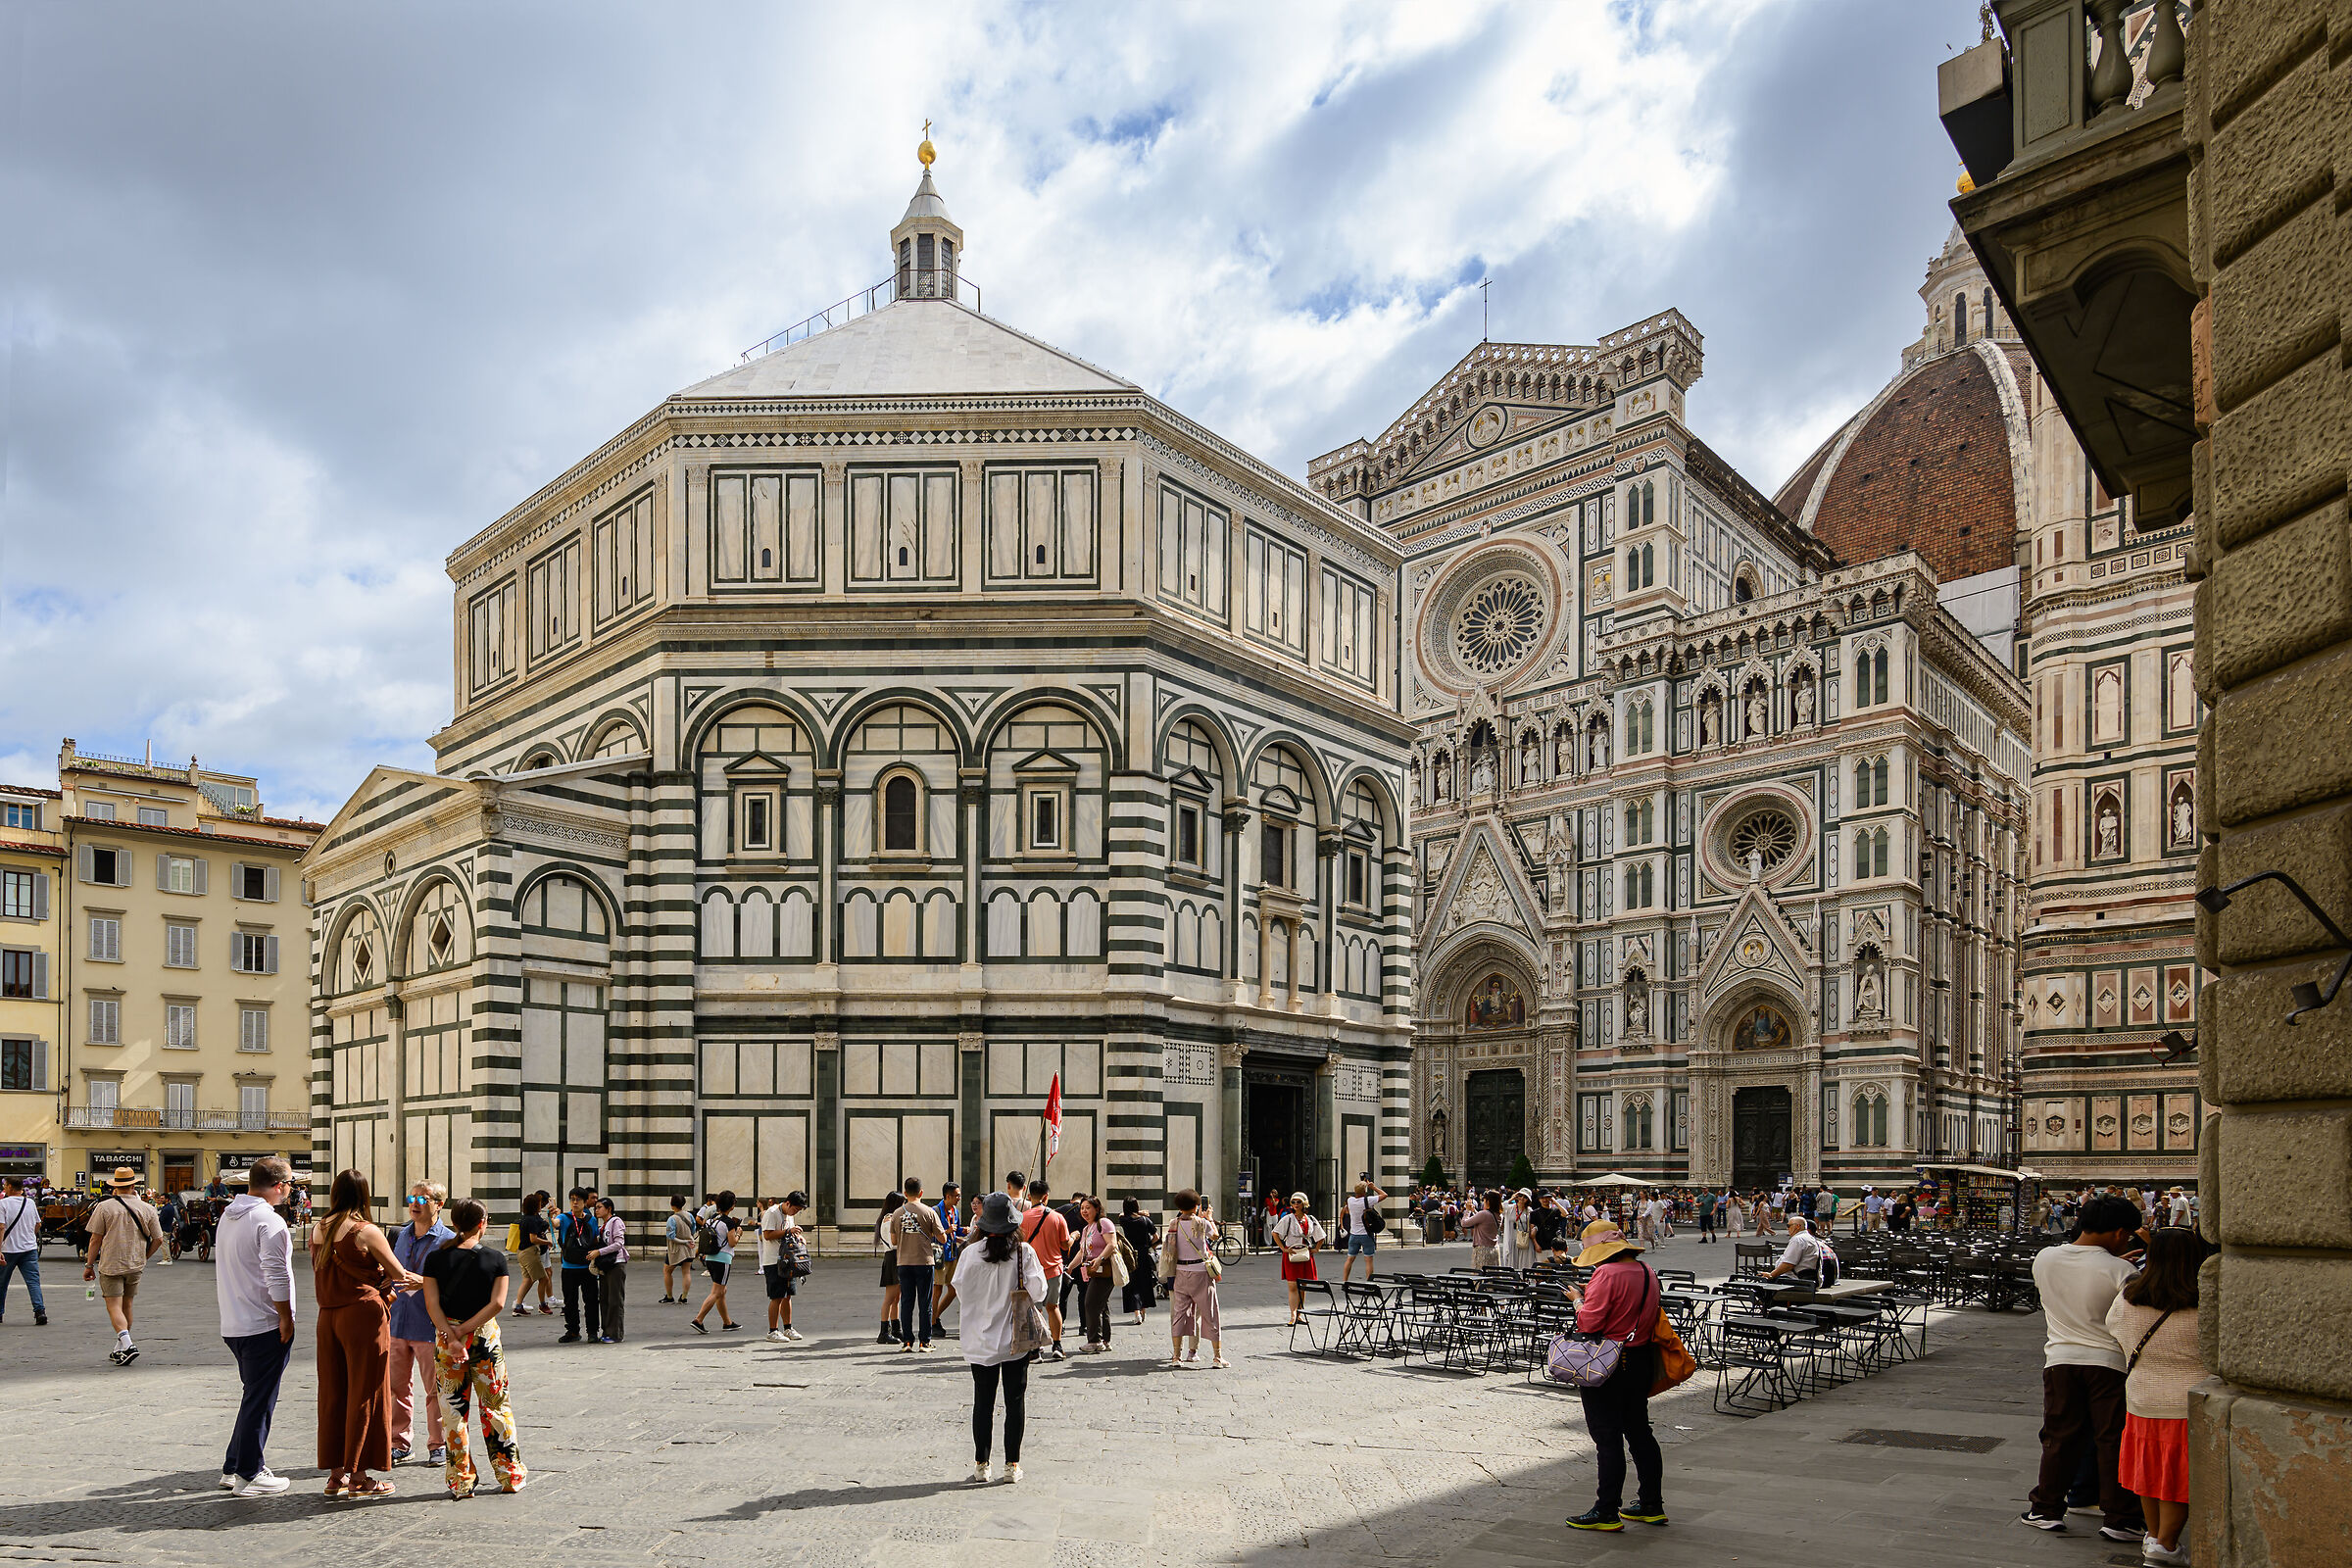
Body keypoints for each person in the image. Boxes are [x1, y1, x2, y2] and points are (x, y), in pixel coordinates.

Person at [2019, 1194, 2147, 1542]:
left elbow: (2076, 1277)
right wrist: (2118, 1265)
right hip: (2109, 1363)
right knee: (2112, 1439)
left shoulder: (2045, 1258)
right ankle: (2120, 1517)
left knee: (2059, 1436)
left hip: (2060, 1360)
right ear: (2119, 1233)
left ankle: (2046, 1508)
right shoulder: (2123, 1271)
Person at [312, 1167, 418, 1498]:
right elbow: (398, 1273)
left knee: (334, 1393)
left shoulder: (318, 1228)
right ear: (364, 1196)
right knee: (366, 1391)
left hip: (328, 1318)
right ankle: (359, 1476)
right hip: (363, 1316)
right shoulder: (365, 1230)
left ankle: (336, 1474)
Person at [2106, 1228, 2207, 1566]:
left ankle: (2155, 1538)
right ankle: (2166, 1544)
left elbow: (2115, 1331)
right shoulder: (2204, 1303)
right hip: (2188, 1403)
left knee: (2149, 1472)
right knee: (2176, 1476)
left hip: (2141, 1398)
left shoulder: (2129, 1297)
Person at [1562, 1219, 1667, 1531]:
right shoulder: (1646, 1270)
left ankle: (1606, 1510)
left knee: (1607, 1437)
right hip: (1641, 1358)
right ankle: (1651, 1504)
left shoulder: (1605, 1273)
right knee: (1640, 1432)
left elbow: (1589, 1323)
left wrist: (1578, 1301)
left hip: (1608, 1362)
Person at [421, 1198, 526, 1499]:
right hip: (484, 1339)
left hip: (447, 1340)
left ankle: (461, 1481)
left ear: (454, 1223)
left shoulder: (435, 1258)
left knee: (452, 1410)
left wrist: (452, 1335)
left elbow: (431, 1304)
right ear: (483, 1223)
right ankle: (510, 1475)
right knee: (496, 1405)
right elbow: (497, 1303)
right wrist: (466, 1330)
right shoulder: (495, 1258)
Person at [215, 1155, 298, 1496]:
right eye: (290, 1184)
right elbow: (277, 1275)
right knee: (261, 1400)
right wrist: (286, 1317)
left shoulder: (228, 1216)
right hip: (263, 1322)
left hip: (234, 1321)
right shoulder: (269, 1221)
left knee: (253, 1395)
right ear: (278, 1186)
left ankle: (233, 1466)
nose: (291, 1189)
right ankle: (250, 1473)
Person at [956, 1192, 1047, 1484]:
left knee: (982, 1402)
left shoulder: (970, 1253)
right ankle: (1012, 1465)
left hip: (979, 1339)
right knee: (1014, 1401)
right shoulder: (1023, 1252)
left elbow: (961, 1291)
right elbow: (1039, 1292)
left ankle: (981, 1464)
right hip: (1014, 1340)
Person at [386, 1181, 452, 1467]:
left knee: (435, 1389)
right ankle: (399, 1443)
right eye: (412, 1197)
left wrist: (423, 1281)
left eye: (423, 1199)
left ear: (439, 1204)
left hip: (429, 1325)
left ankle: (438, 1444)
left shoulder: (448, 1241)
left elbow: (456, 1282)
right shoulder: (400, 1235)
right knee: (396, 1388)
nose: (415, 1203)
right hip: (398, 1322)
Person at [82, 1166, 165, 1364]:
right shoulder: (148, 1208)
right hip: (135, 1264)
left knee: (113, 1306)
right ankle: (118, 1349)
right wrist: (145, 1256)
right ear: (133, 1185)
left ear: (115, 1186)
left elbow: (95, 1239)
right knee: (127, 1304)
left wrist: (89, 1264)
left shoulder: (104, 1207)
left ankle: (128, 1344)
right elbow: (159, 1239)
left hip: (111, 1263)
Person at [1160, 1189, 1224, 1368]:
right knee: (1210, 1313)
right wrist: (1209, 1217)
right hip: (1200, 1272)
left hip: (1180, 1272)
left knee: (1179, 1314)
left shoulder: (1174, 1223)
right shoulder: (1202, 1223)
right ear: (1196, 1206)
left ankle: (1176, 1356)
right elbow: (1215, 1236)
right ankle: (1217, 1357)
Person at [890, 1177, 950, 1351]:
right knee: (925, 1302)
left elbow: (894, 1241)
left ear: (905, 1193)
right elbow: (942, 1238)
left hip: (904, 1262)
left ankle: (907, 1341)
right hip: (924, 1262)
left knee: (906, 1302)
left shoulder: (897, 1213)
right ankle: (925, 1341)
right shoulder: (929, 1212)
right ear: (921, 1192)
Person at [1018, 1179, 1070, 1361]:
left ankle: (1035, 1349)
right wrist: (1073, 1237)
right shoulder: (1057, 1217)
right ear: (1046, 1197)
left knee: (1034, 1310)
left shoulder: (1022, 1218)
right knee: (1053, 1307)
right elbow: (1065, 1245)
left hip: (1031, 1271)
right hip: (1053, 1269)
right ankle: (1057, 1345)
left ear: (1029, 1196)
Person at [554, 1188, 601, 1343]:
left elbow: (595, 1240)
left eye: (578, 1199)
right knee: (570, 1302)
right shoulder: (564, 1217)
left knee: (591, 1301)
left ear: (585, 1202)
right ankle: (573, 1331)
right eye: (572, 1199)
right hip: (569, 1267)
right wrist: (551, 1217)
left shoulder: (591, 1220)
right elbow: (555, 1223)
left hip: (587, 1267)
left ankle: (592, 1332)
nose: (575, 1202)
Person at [0, 1174, 48, 1326]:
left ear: (9, 1187)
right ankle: (40, 1311)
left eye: (4, 1185)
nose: (4, 1188)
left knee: (2, 1282)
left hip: (8, 1249)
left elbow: (1, 1227)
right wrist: (30, 1236)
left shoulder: (3, 1204)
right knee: (33, 1282)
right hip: (29, 1248)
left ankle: (0, 1312)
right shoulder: (30, 1203)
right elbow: (38, 1224)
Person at [1073, 1196, 1118, 1352]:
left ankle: (1094, 1341)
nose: (1084, 1211)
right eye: (1082, 1208)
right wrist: (1070, 1267)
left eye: (1088, 1208)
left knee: (1090, 1303)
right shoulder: (1086, 1228)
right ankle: (1105, 1340)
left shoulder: (1104, 1223)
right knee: (1101, 1305)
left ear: (1097, 1209)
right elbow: (1082, 1252)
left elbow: (1112, 1244)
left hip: (1105, 1270)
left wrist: (1099, 1259)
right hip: (1094, 1272)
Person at [1271, 1192, 1325, 1325]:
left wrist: (1317, 1249)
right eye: (1293, 1202)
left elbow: (1321, 1236)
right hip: (1292, 1254)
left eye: (1298, 1202)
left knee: (1302, 1286)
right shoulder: (1288, 1219)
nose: (1296, 1204)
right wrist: (1283, 1248)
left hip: (1305, 1254)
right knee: (1293, 1286)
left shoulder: (1311, 1219)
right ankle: (1293, 1314)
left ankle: (1299, 1314)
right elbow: (1275, 1233)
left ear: (1304, 1203)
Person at [691, 1192, 741, 1333]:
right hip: (723, 1259)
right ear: (732, 1206)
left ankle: (727, 1322)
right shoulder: (729, 1222)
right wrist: (738, 1233)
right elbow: (732, 1242)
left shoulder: (711, 1220)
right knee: (717, 1292)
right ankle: (698, 1320)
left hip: (710, 1257)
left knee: (721, 1291)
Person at [760, 1191, 806, 1342]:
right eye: (795, 1209)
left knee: (787, 1295)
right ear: (787, 1203)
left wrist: (798, 1237)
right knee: (777, 1296)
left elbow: (789, 1234)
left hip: (787, 1260)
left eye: (798, 1211)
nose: (795, 1212)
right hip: (774, 1261)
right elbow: (767, 1235)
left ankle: (788, 1328)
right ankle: (772, 1331)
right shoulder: (772, 1213)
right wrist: (788, 1231)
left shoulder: (789, 1216)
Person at [589, 1197, 627, 1343]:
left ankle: (615, 1333)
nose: (596, 1210)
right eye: (596, 1208)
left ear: (609, 1209)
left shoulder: (616, 1222)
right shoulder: (603, 1225)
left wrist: (599, 1252)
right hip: (606, 1265)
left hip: (616, 1263)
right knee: (604, 1298)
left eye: (599, 1207)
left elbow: (619, 1243)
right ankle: (607, 1331)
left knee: (615, 1299)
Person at [1762, 1214, 1837, 1289]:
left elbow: (1788, 1265)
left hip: (1798, 1280)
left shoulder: (1798, 1239)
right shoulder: (1808, 1238)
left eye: (1789, 1226)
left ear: (1798, 1226)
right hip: (1809, 1279)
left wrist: (1771, 1275)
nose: (1787, 1228)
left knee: (1762, 1284)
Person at [1116, 1198, 1158, 1325]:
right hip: (1144, 1254)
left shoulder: (1124, 1220)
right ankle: (1143, 1311)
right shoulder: (1146, 1220)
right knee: (1144, 1282)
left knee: (1132, 1283)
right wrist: (1149, 1245)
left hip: (1129, 1255)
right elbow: (1156, 1237)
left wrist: (1135, 1212)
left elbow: (1121, 1214)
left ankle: (1137, 1314)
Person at [875, 1191, 906, 1345]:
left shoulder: (891, 1218)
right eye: (903, 1204)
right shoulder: (889, 1220)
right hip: (893, 1256)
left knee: (896, 1297)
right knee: (890, 1297)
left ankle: (895, 1328)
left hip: (896, 1256)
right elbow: (893, 1242)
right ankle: (883, 1331)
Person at [932, 1182, 965, 1326]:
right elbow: (930, 1234)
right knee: (937, 1289)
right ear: (947, 1196)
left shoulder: (954, 1211)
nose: (959, 1198)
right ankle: (932, 1322)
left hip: (952, 1254)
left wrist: (963, 1231)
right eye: (957, 1196)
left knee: (953, 1290)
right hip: (939, 1254)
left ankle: (935, 1316)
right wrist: (947, 1231)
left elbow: (955, 1230)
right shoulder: (935, 1211)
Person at [514, 1193, 555, 1315]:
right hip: (530, 1253)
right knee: (544, 1278)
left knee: (528, 1279)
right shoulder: (531, 1220)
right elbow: (533, 1239)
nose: (541, 1206)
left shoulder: (527, 1218)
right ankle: (542, 1305)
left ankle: (518, 1306)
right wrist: (547, 1242)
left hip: (522, 1252)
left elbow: (543, 1225)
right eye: (539, 1204)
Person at [1341, 1178, 1386, 1282]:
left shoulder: (1350, 1201)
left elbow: (1351, 1197)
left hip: (1354, 1234)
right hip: (1366, 1234)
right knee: (1368, 1260)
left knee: (1350, 1259)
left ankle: (1345, 1281)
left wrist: (1361, 1185)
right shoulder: (1368, 1200)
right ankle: (1369, 1283)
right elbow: (1384, 1195)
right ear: (1365, 1192)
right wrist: (1373, 1187)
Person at [662, 1195, 696, 1303]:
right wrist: (687, 1240)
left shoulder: (672, 1219)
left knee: (667, 1271)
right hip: (689, 1247)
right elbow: (693, 1230)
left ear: (672, 1205)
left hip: (675, 1250)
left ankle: (669, 1296)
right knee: (686, 1272)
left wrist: (683, 1241)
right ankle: (684, 1297)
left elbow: (671, 1236)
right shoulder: (689, 1216)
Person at [1499, 1190, 1541, 1272]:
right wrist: (1511, 1199)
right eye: (1520, 1196)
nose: (1522, 1198)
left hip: (1525, 1240)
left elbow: (1533, 1225)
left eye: (1525, 1197)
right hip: (1512, 1239)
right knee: (1512, 1264)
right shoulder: (1510, 1208)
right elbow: (1500, 1208)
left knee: (1525, 1264)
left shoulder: (1529, 1211)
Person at [1463, 1190, 1502, 1269]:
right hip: (1494, 1248)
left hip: (1483, 1249)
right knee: (1493, 1273)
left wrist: (1467, 1210)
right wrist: (1473, 1211)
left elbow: (1464, 1223)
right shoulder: (1499, 1215)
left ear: (1488, 1202)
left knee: (1481, 1273)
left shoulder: (1484, 1214)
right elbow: (1484, 1220)